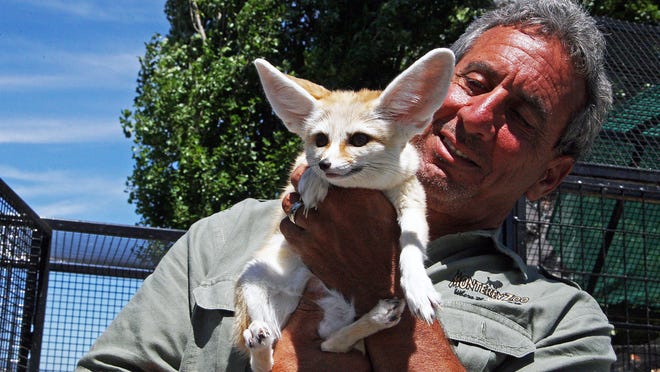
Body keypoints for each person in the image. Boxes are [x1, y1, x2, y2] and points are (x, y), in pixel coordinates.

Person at [77, 0, 617, 370]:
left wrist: (375, 277)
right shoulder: (222, 237)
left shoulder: (563, 323)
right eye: (472, 83)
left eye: (522, 117)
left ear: (550, 175)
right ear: (426, 95)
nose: (476, 117)